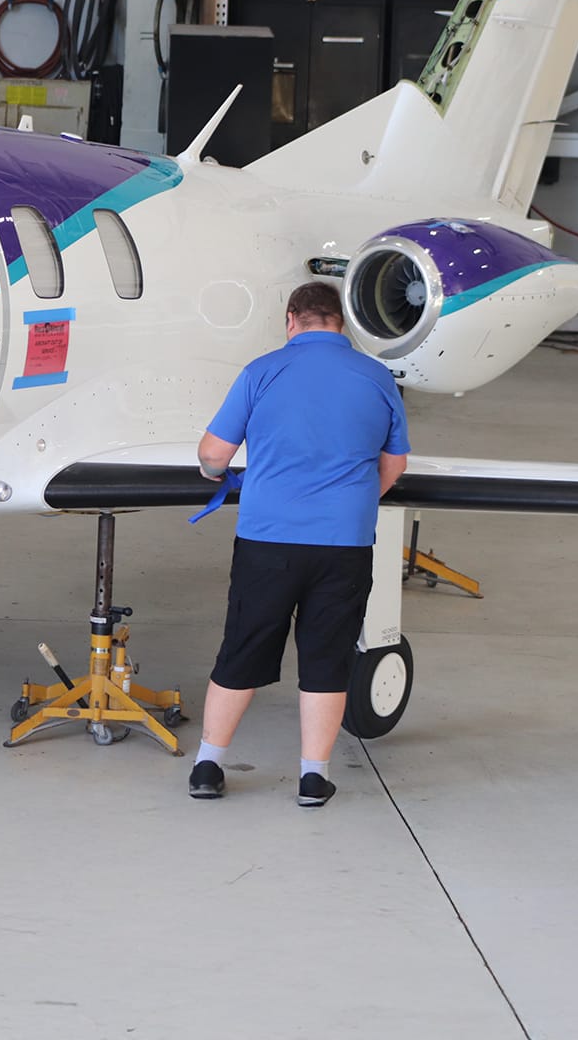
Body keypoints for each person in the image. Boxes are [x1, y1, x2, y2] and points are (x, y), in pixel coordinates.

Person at [189, 280, 409, 807]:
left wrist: (212, 470)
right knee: (326, 656)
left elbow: (214, 455)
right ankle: (313, 776)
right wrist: (352, 501)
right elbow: (394, 465)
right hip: (344, 543)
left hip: (267, 538)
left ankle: (207, 767)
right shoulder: (378, 377)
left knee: (241, 649)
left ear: (292, 319)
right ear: (341, 323)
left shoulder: (261, 372)